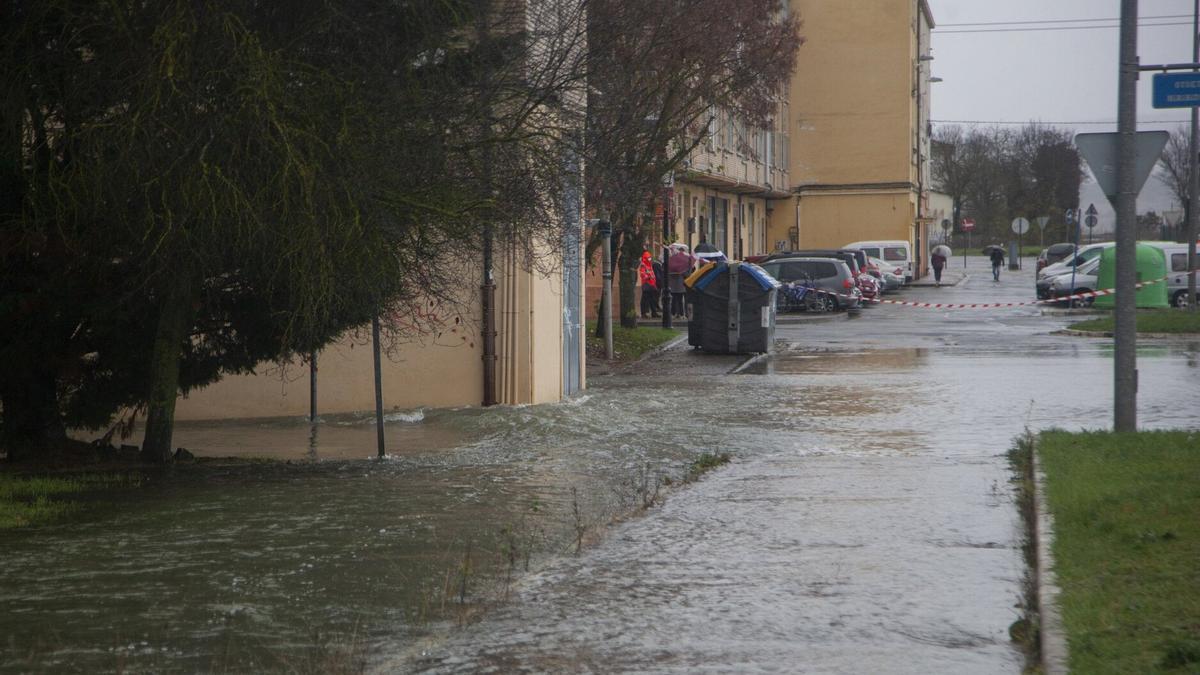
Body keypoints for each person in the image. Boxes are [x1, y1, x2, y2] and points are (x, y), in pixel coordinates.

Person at [667, 243, 694, 318]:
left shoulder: (672, 258)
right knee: (682, 299)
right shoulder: (686, 259)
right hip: (682, 282)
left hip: (673, 282)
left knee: (674, 299)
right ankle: (682, 314)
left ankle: (674, 313)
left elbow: (668, 269)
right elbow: (688, 271)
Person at [638, 250, 659, 318]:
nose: (650, 259)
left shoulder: (649, 265)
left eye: (650, 257)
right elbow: (643, 274)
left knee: (653, 299)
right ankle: (644, 313)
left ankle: (654, 312)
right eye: (648, 257)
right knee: (645, 299)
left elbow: (652, 273)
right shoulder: (643, 265)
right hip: (646, 283)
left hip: (652, 283)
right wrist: (649, 277)